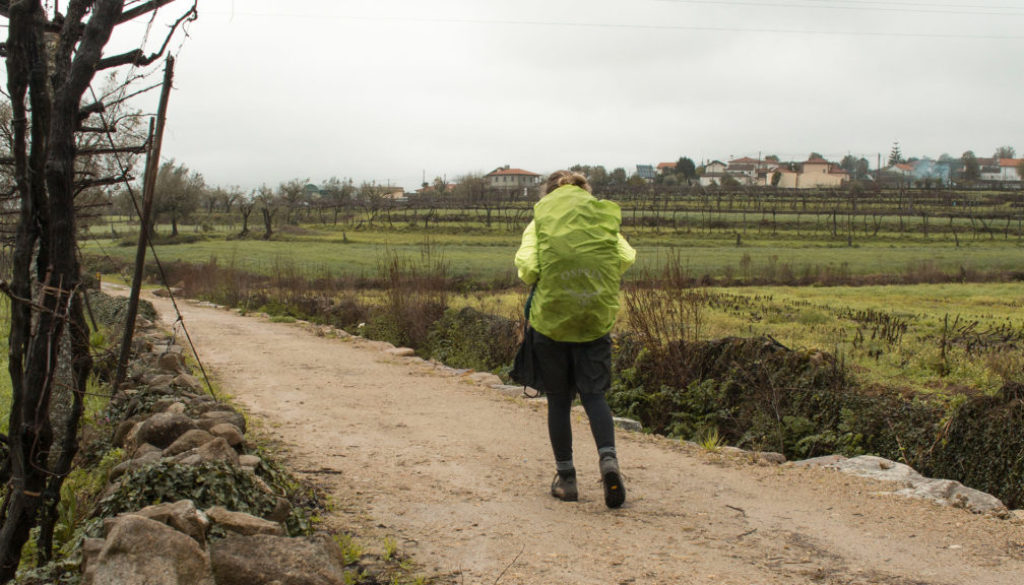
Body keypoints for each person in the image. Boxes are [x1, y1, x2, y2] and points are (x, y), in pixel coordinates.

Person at [513, 170, 636, 508]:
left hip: (551, 322)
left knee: (558, 400)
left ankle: (567, 479)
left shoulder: (540, 221)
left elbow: (528, 269)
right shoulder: (598, 220)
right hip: (593, 320)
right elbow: (625, 256)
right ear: (585, 191)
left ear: (548, 193)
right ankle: (608, 461)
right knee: (594, 395)